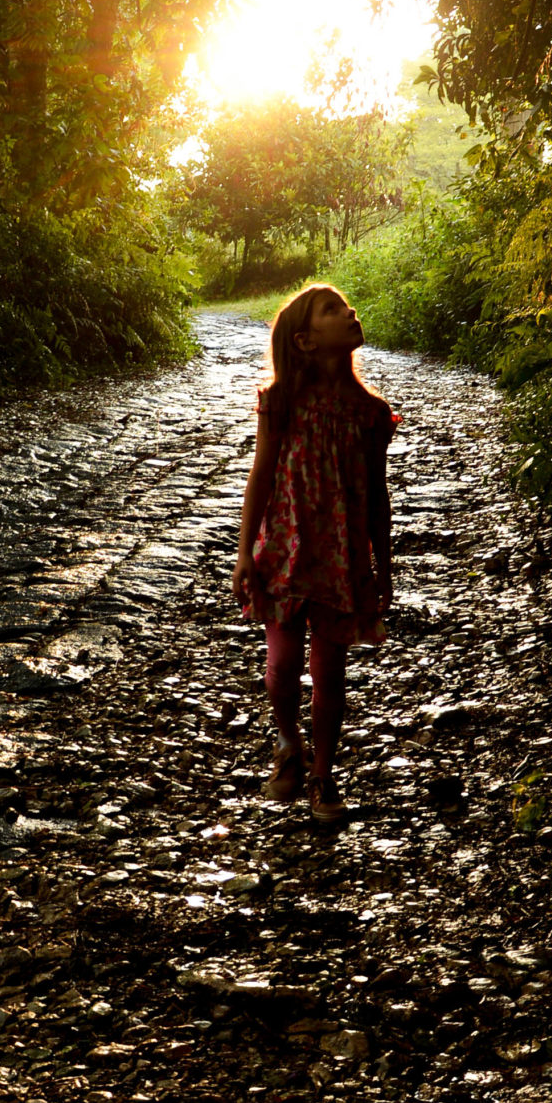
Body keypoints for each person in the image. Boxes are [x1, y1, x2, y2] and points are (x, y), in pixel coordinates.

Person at [232, 284, 396, 827]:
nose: (350, 311)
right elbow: (260, 477)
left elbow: (378, 493)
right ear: (304, 341)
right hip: (281, 549)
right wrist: (243, 553)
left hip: (342, 560)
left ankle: (324, 772)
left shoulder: (370, 412)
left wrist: (384, 565)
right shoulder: (279, 402)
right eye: (333, 309)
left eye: (346, 304)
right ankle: (287, 744)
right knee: (280, 668)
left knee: (330, 674)